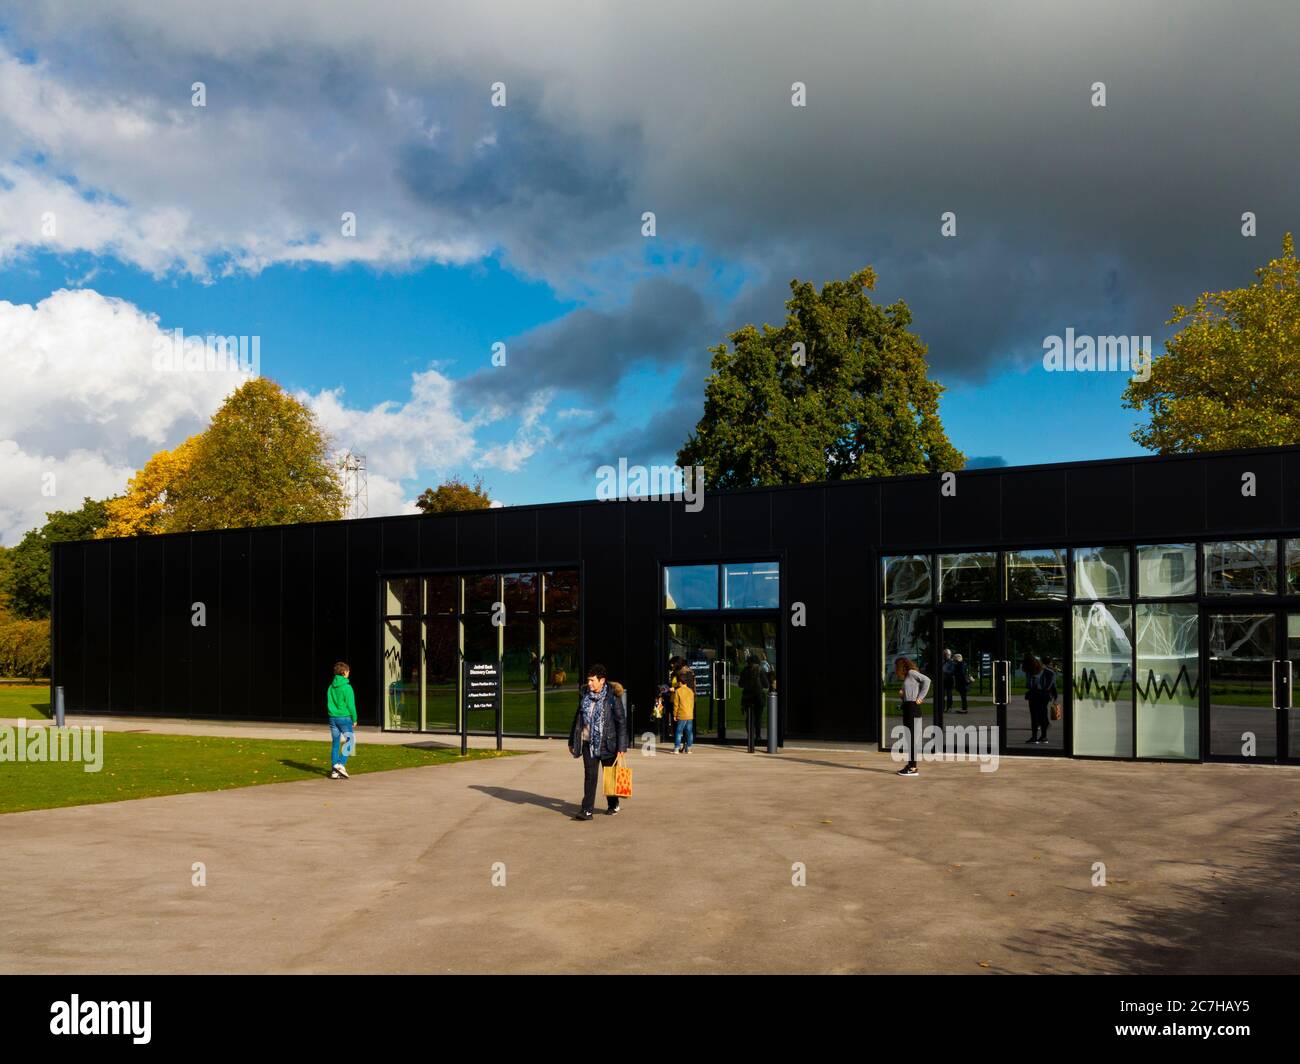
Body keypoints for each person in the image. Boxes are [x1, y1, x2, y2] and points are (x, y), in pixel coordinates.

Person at [568, 663, 628, 820]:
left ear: (602, 681)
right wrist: (571, 741)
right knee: (590, 776)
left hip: (608, 744)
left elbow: (621, 723)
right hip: (589, 744)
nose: (589, 683)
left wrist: (621, 747)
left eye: (592, 680)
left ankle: (613, 803)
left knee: (609, 777)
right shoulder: (585, 697)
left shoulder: (612, 699)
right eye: (588, 680)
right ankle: (587, 810)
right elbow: (577, 720)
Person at [894, 656, 930, 777]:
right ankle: (910, 765)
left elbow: (927, 680)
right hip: (908, 708)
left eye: (896, 667)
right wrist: (902, 695)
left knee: (913, 739)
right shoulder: (908, 677)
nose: (895, 670)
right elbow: (908, 695)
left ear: (901, 666)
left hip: (912, 709)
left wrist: (920, 697)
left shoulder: (911, 673)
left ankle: (913, 768)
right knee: (910, 739)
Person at [327, 661, 357, 780]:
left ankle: (334, 770)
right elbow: (351, 705)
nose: (349, 673)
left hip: (332, 718)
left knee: (335, 744)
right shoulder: (347, 687)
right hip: (344, 718)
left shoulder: (330, 687)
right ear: (344, 672)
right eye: (348, 671)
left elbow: (329, 702)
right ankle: (340, 764)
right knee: (351, 741)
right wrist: (354, 718)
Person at [1025, 656, 1058, 745]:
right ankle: (1039, 737)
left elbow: (1029, 685)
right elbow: (1029, 685)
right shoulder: (1047, 672)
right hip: (1039, 696)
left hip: (1039, 695)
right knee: (1038, 716)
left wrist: (1055, 696)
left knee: (1038, 716)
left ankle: (1039, 737)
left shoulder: (1047, 673)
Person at [739, 652, 769, 744]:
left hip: (747, 697)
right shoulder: (761, 670)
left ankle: (750, 735)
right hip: (758, 697)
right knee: (758, 717)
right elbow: (766, 685)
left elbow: (740, 684)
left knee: (749, 717)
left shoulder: (745, 670)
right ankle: (758, 736)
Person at [673, 667, 696, 753]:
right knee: (689, 732)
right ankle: (688, 748)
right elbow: (692, 704)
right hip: (689, 714)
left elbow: (676, 705)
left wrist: (675, 714)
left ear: (679, 682)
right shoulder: (691, 691)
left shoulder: (678, 691)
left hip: (681, 714)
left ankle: (676, 749)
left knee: (679, 732)